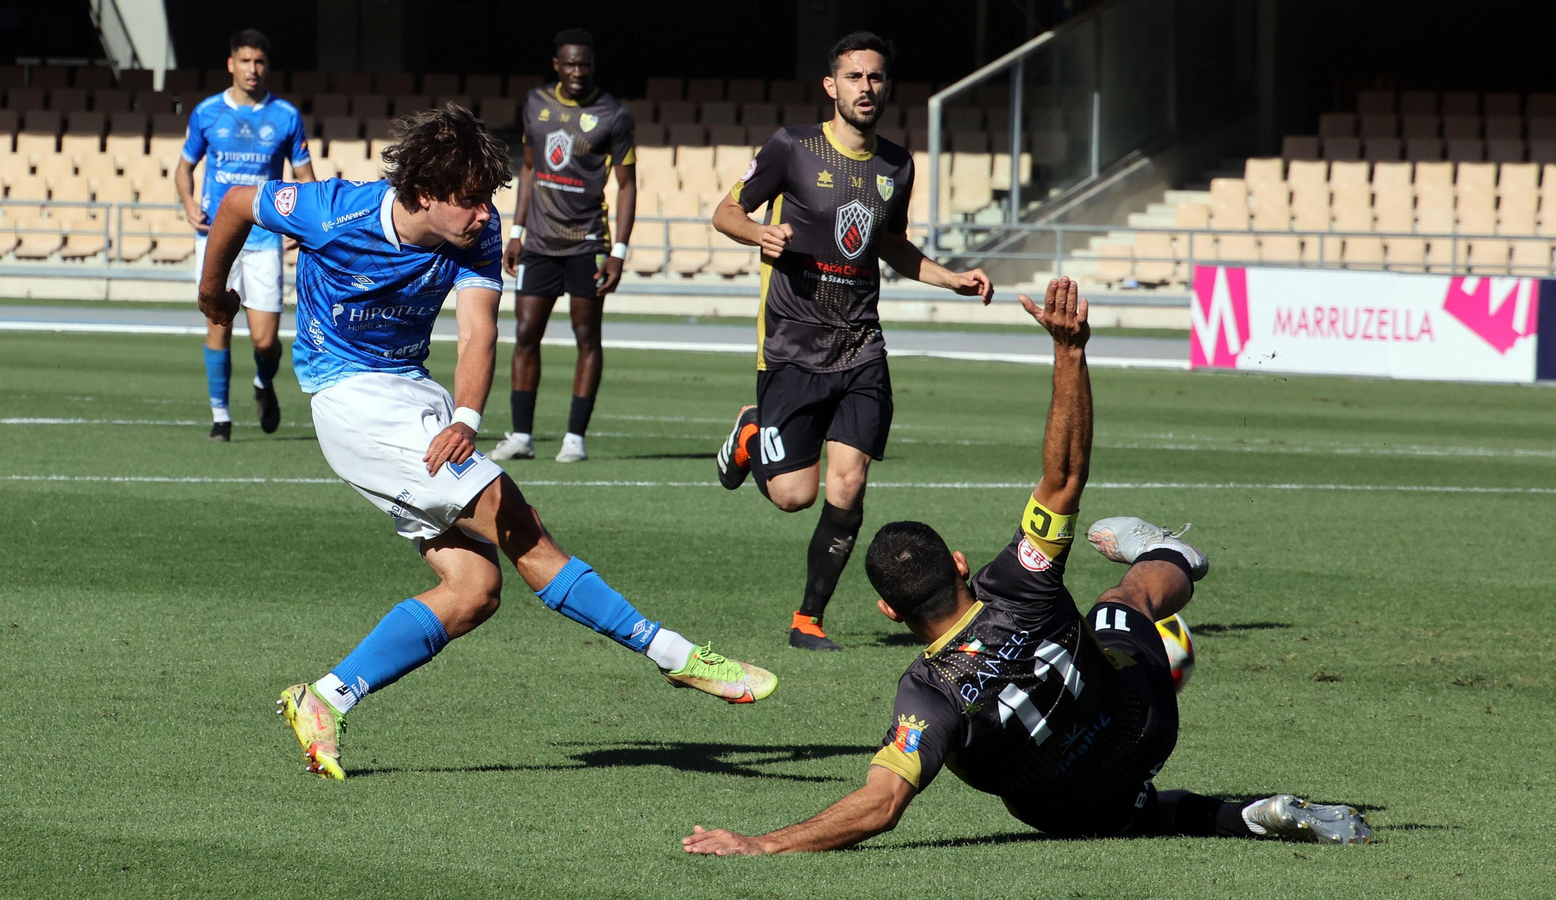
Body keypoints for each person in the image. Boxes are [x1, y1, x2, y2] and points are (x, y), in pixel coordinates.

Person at [681, 279, 1374, 853]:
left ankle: (1246, 811)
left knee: (1118, 803)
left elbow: (880, 804)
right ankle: (1171, 554)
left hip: (1073, 810)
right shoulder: (1019, 577)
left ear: (889, 611)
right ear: (958, 564)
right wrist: (1069, 353)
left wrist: (762, 842)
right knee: (1119, 603)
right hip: (1144, 724)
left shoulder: (925, 696)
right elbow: (1066, 476)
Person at [196, 105, 776, 781]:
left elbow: (478, 332)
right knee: (519, 523)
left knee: (473, 589)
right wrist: (214, 292)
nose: (482, 214)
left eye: (486, 199)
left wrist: (466, 416)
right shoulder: (328, 209)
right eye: (470, 201)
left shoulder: (476, 231)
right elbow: (237, 202)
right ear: (423, 193)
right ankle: (674, 655)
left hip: (416, 397)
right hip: (352, 401)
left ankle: (325, 697)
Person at [710, 31, 995, 651]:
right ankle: (754, 430)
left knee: (848, 485)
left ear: (886, 86)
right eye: (854, 77)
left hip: (861, 346)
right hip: (792, 345)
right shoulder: (792, 147)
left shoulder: (897, 163)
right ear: (830, 86)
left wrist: (949, 278)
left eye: (875, 78)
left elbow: (889, 242)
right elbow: (725, 212)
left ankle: (808, 620)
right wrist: (758, 234)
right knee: (794, 496)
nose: (865, 88)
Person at [491, 28, 636, 464]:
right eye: (570, 64)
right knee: (525, 333)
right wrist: (515, 233)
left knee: (587, 335)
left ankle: (575, 438)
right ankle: (521, 436)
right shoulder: (535, 103)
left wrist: (619, 252)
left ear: (593, 66)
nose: (577, 72)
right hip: (537, 242)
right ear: (557, 65)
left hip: (587, 243)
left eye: (584, 64)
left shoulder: (615, 115)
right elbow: (530, 170)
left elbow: (627, 187)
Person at [176, 28, 315, 442]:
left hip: (265, 238)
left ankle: (262, 383)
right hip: (218, 238)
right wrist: (187, 202)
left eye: (260, 62)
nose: (253, 69)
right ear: (231, 64)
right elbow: (184, 168)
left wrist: (303, 223)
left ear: (266, 67)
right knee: (218, 324)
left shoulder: (285, 116)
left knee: (266, 339)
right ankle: (221, 417)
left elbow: (304, 175)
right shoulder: (206, 113)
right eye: (246, 61)